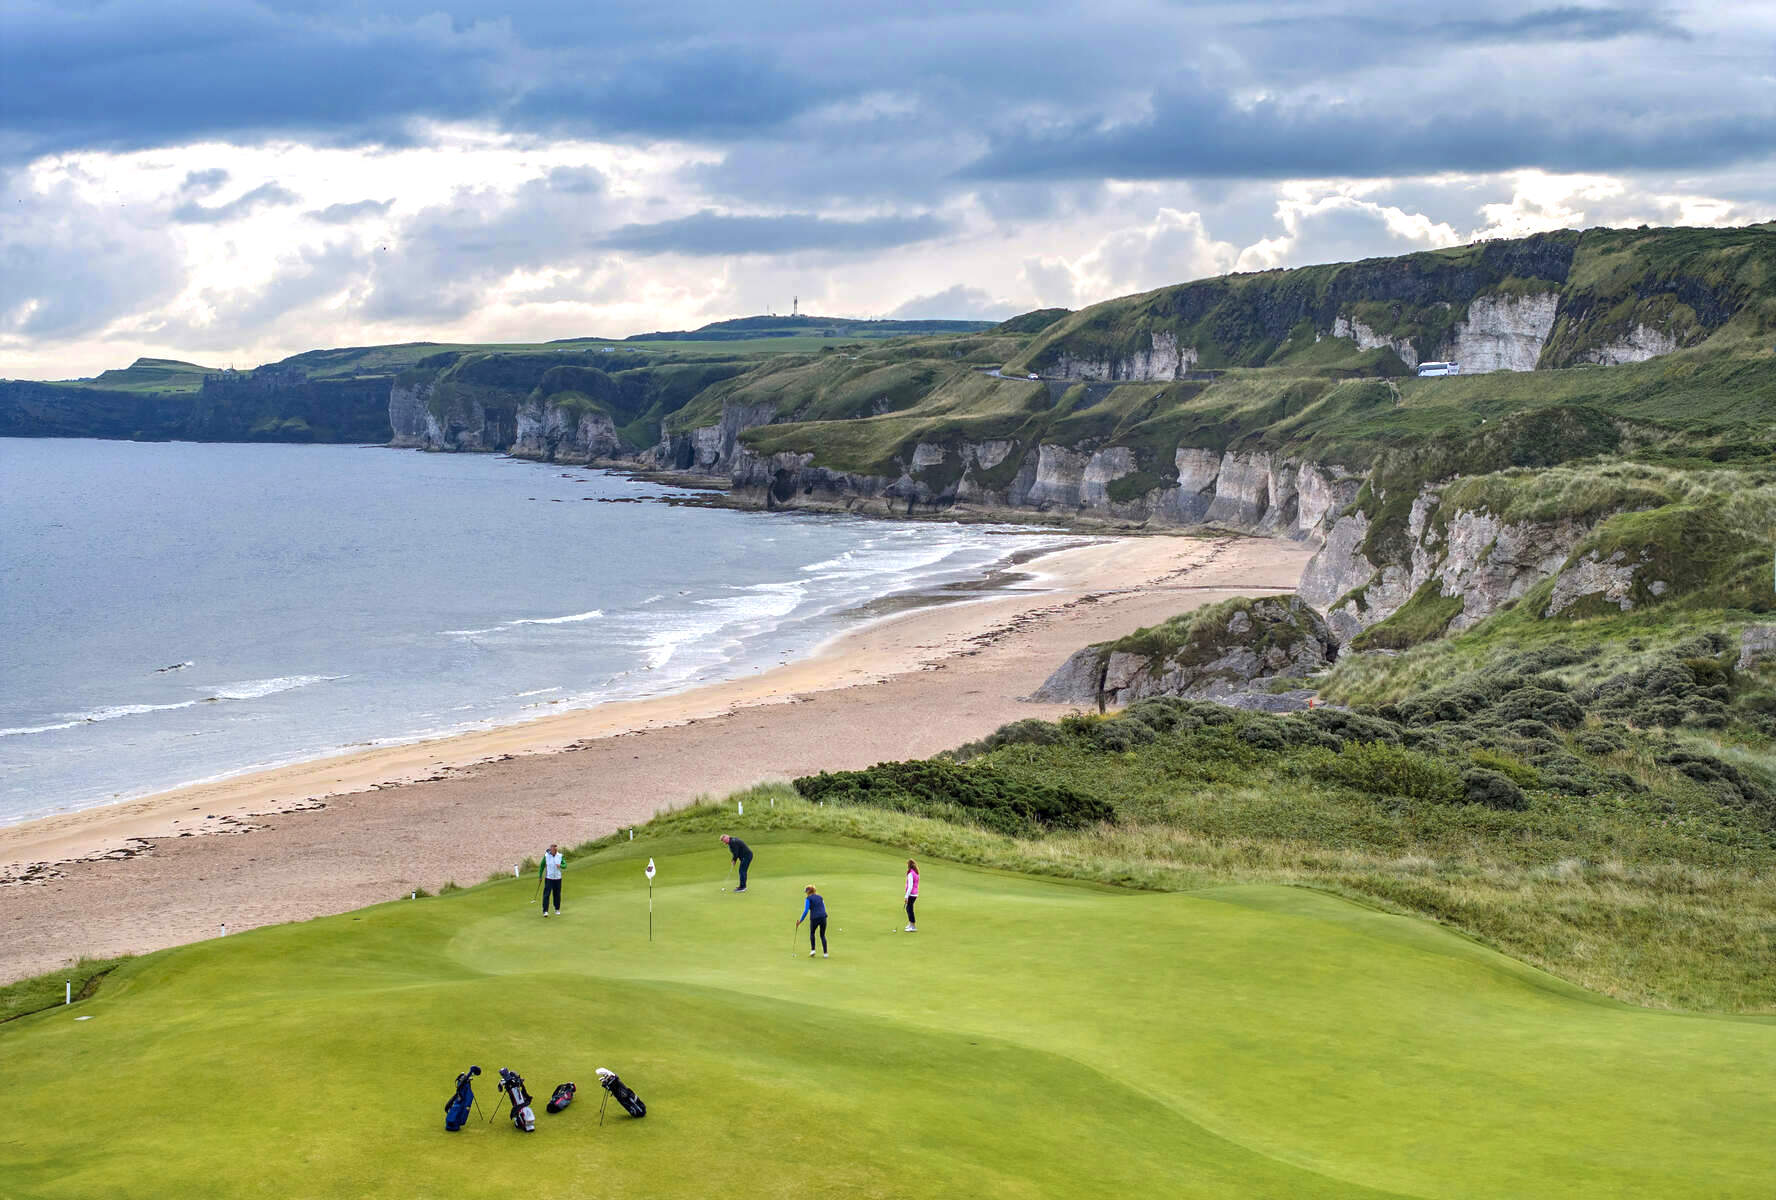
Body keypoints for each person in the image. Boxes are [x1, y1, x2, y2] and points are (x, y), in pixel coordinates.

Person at [797, 884, 829, 957]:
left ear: (808, 891)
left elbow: (806, 911)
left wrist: (800, 921)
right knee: (822, 935)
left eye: (806, 891)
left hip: (814, 918)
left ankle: (813, 950)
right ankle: (825, 953)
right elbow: (823, 907)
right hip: (823, 917)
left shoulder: (808, 899)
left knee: (812, 933)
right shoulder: (820, 897)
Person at [538, 843, 564, 916]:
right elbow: (542, 866)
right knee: (546, 894)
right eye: (553, 849)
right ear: (551, 849)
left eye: (556, 849)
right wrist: (540, 876)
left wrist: (561, 865)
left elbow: (565, 865)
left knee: (557, 894)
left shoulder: (560, 856)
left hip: (558, 878)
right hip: (549, 878)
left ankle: (557, 909)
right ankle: (545, 911)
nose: (554, 850)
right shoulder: (546, 856)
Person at [904, 858, 919, 932]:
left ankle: (913, 926)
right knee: (908, 908)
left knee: (909, 909)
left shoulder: (910, 874)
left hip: (911, 894)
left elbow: (910, 886)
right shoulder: (916, 873)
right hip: (915, 894)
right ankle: (910, 924)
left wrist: (906, 896)